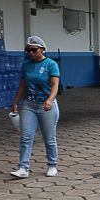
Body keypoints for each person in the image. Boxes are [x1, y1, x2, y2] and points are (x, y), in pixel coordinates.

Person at [10, 36, 61, 179]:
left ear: (42, 49)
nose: (31, 53)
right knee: (26, 137)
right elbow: (23, 84)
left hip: (46, 106)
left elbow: (55, 85)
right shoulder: (26, 65)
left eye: (34, 50)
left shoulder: (51, 64)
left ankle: (52, 164)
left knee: (49, 138)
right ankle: (23, 167)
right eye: (28, 50)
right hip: (29, 105)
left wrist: (50, 100)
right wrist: (15, 101)